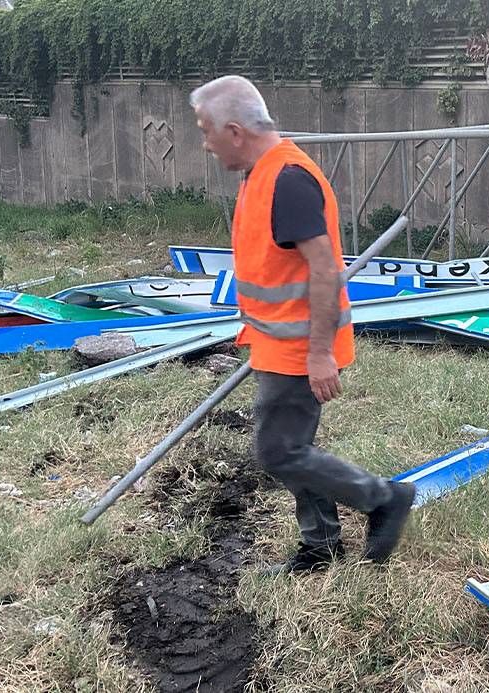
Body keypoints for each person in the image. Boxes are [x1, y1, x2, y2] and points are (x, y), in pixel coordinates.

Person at [189, 75, 416, 576]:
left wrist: (318, 354)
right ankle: (321, 547)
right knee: (292, 450)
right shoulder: (262, 172)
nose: (203, 143)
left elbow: (325, 271)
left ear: (234, 130)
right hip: (275, 342)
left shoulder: (287, 178)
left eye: (205, 131)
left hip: (299, 348)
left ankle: (384, 499)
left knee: (279, 450)